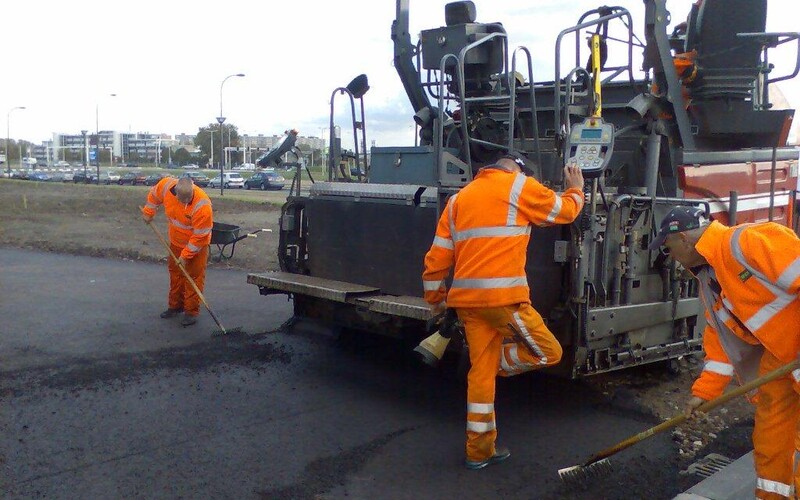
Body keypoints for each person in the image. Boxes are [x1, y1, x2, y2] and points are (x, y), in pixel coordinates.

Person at [422, 153, 585, 470]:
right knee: (547, 353)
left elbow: (436, 259)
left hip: (466, 305)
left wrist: (437, 301)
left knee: (480, 375)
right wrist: (576, 188)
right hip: (504, 301)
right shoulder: (518, 186)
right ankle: (498, 363)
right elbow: (564, 212)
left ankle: (479, 452)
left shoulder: (458, 199)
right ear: (517, 168)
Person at [648, 206, 800, 500]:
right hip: (779, 359)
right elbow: (720, 341)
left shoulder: (748, 243)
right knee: (771, 441)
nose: (672, 259)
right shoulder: (709, 279)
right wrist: (704, 393)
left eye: (669, 248)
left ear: (684, 239)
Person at [141, 176, 213, 326]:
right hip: (175, 242)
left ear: (193, 190)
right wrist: (148, 211)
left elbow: (200, 236)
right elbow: (154, 195)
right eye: (182, 199)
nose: (185, 202)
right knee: (175, 274)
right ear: (175, 193)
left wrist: (186, 255)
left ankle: (191, 312)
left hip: (196, 247)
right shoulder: (166, 186)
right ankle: (175, 306)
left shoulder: (202, 205)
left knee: (193, 277)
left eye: (188, 198)